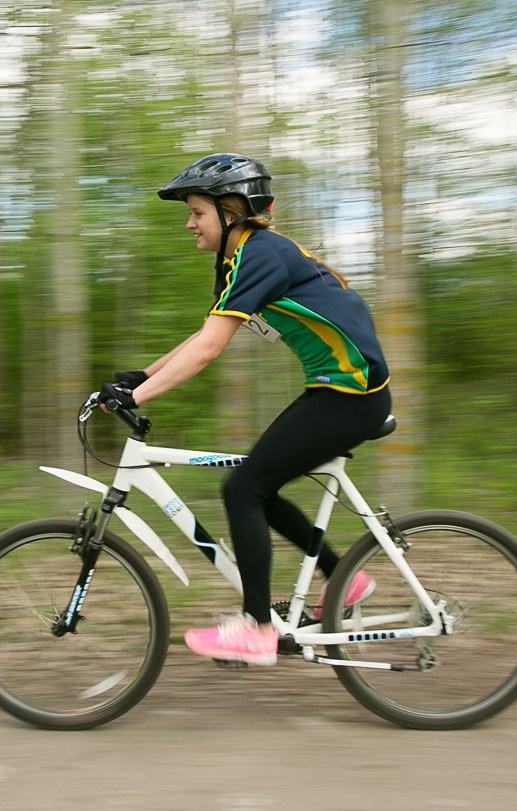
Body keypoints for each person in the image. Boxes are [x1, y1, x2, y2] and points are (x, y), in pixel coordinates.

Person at [98, 153, 391, 666]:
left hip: (351, 395)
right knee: (259, 482)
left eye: (197, 212)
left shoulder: (259, 254)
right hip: (339, 389)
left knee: (243, 488)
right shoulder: (241, 258)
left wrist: (137, 397)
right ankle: (346, 577)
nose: (189, 224)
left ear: (232, 210)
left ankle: (257, 629)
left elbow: (209, 350)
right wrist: (140, 376)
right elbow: (205, 335)